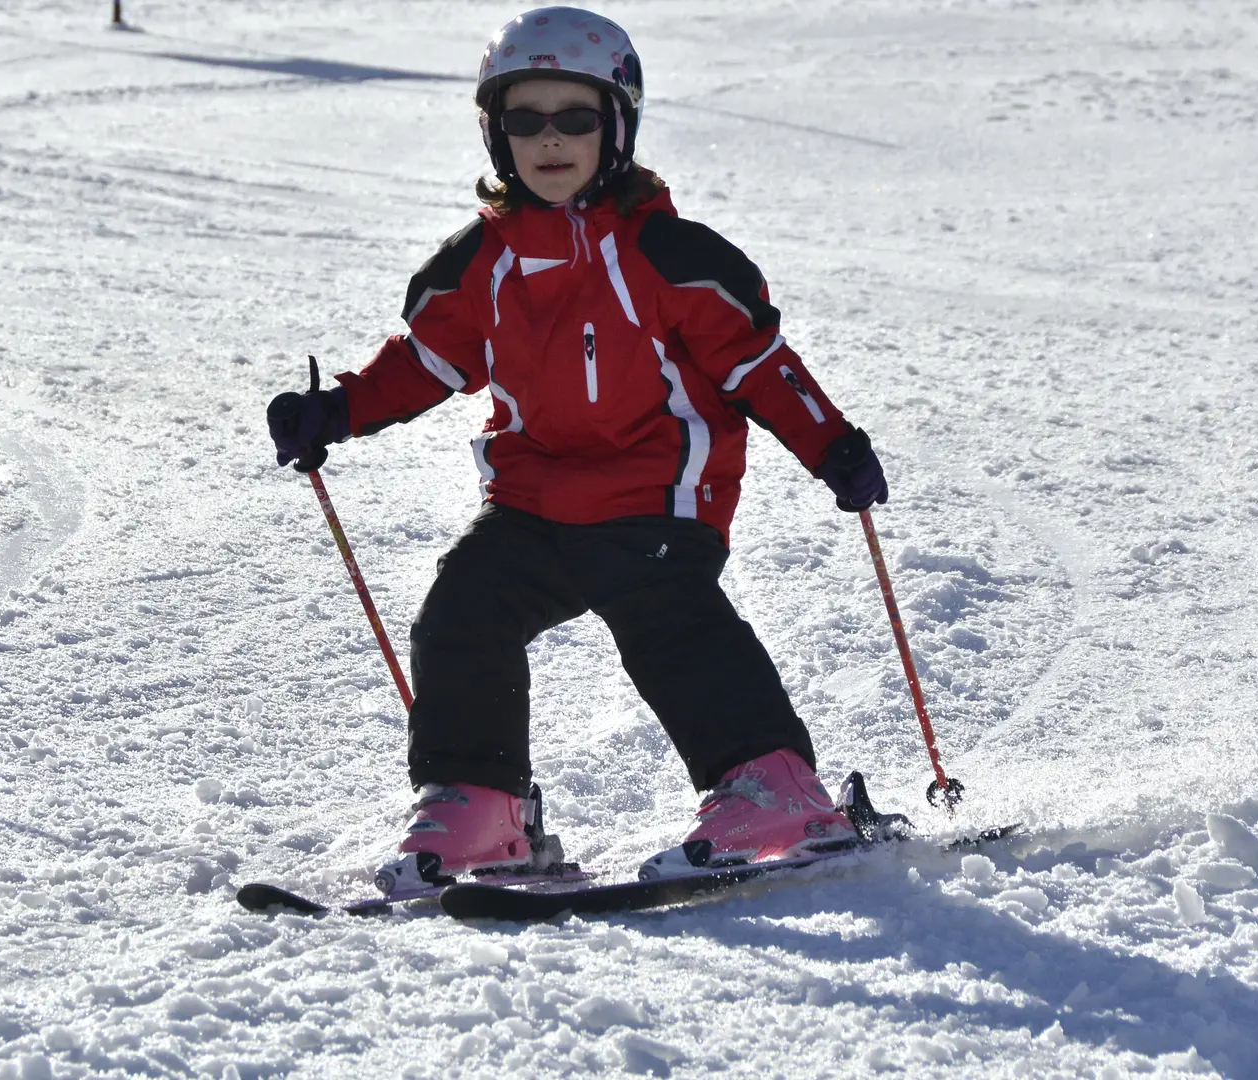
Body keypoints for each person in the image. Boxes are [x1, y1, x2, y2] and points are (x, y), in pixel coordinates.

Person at [266, 6, 889, 891]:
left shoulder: (670, 256)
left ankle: (774, 786)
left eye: (574, 118)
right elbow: (426, 362)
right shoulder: (481, 262)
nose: (549, 140)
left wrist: (833, 448)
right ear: (496, 135)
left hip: (657, 495)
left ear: (618, 125)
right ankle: (484, 808)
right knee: (463, 610)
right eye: (525, 120)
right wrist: (337, 411)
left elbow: (760, 365)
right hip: (531, 500)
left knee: (665, 617)